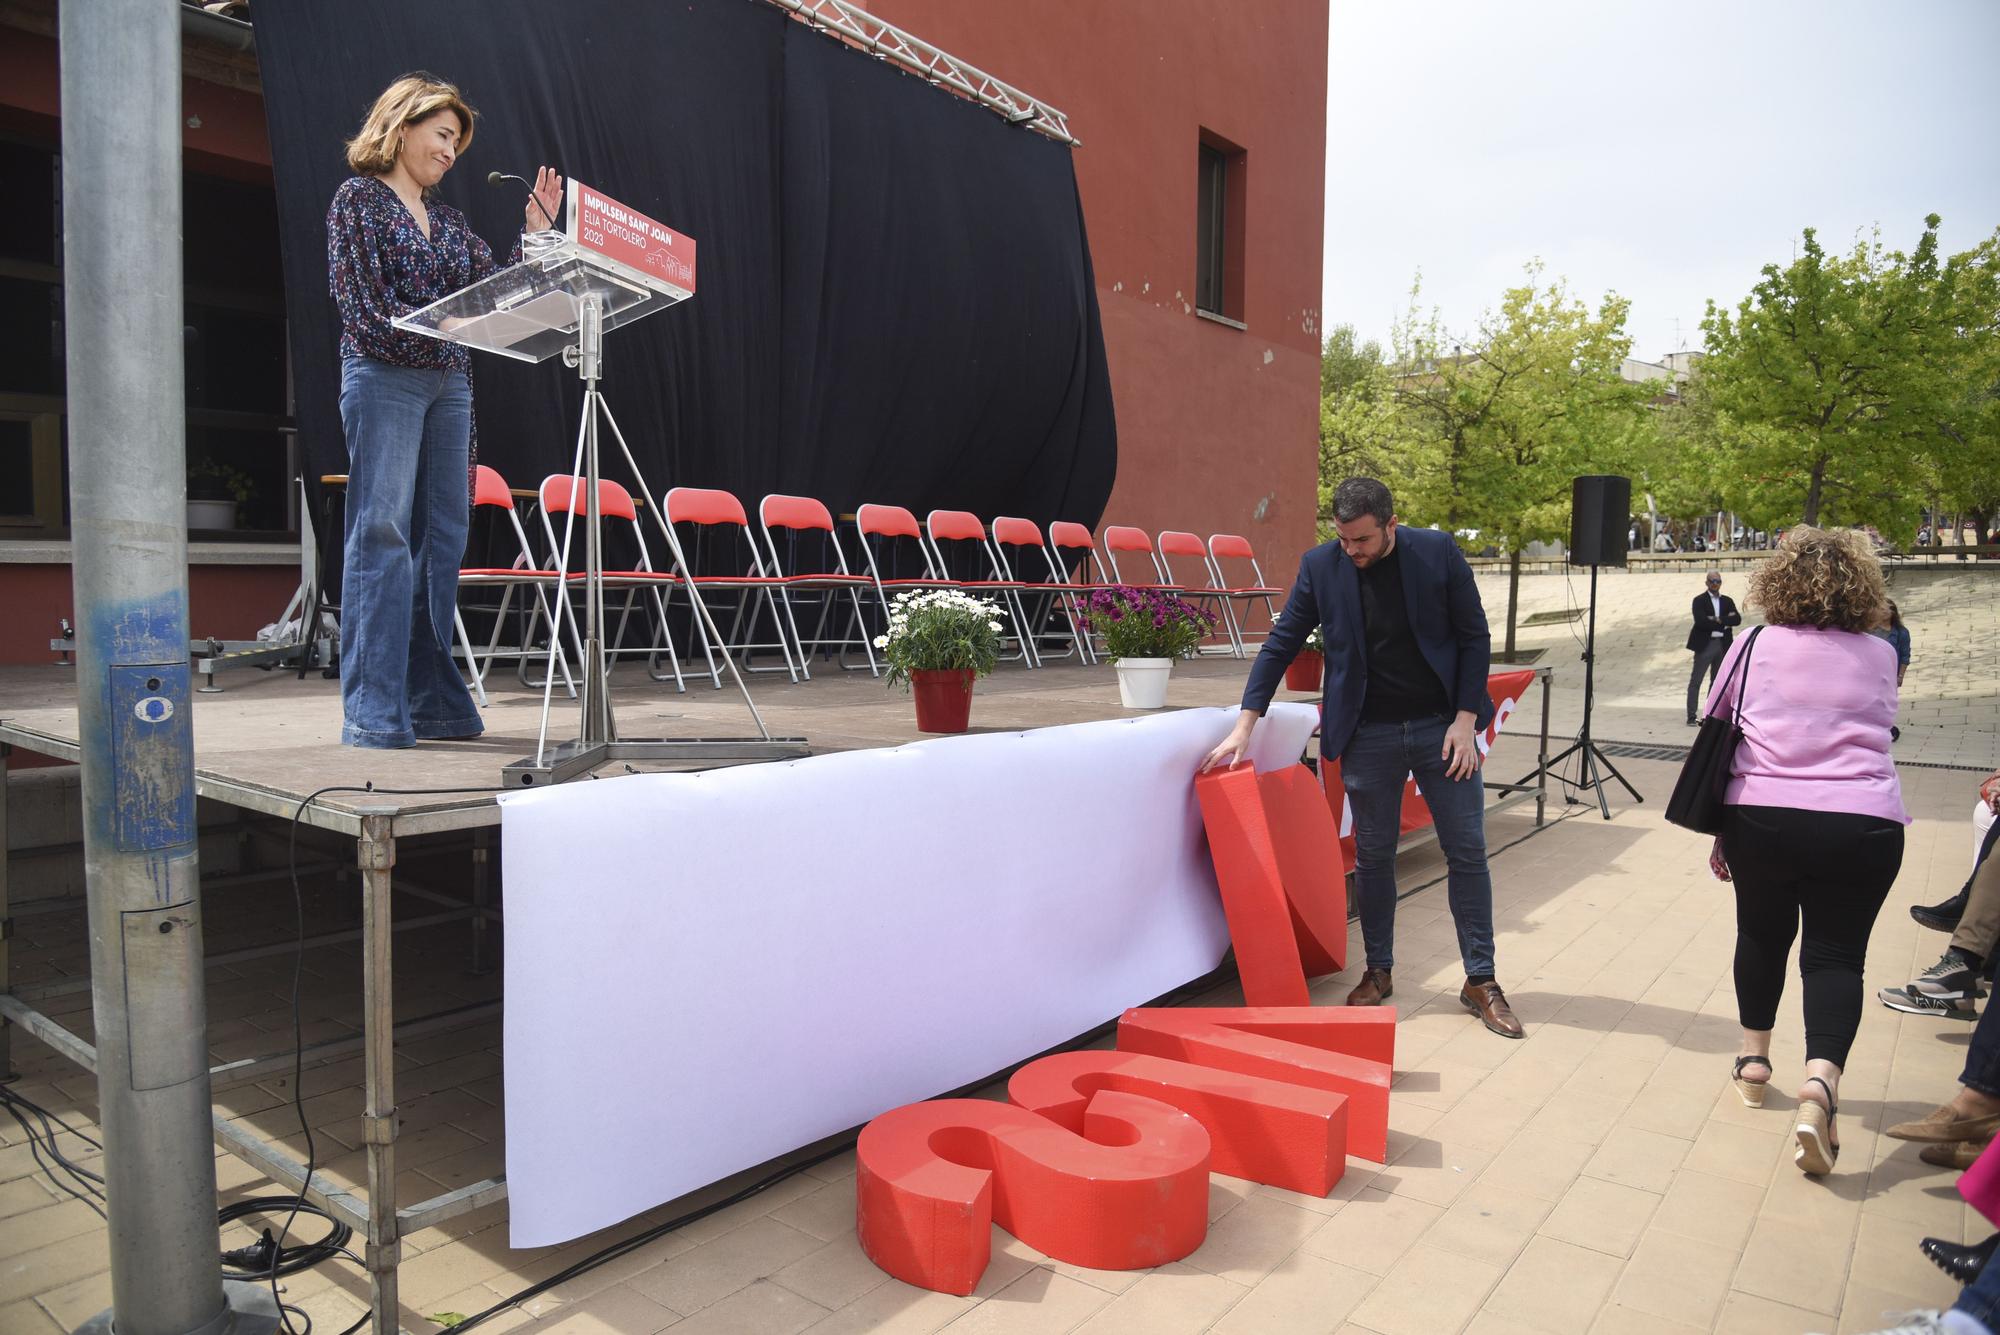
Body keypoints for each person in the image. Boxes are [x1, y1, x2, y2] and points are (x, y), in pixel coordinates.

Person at [1200, 478, 1522, 1038]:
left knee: (1466, 852)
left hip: (1442, 729)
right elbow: (1281, 645)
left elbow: (1474, 637)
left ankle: (1480, 980)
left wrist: (1466, 722)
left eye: (1364, 540)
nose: (1353, 551)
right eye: (1345, 539)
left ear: (1391, 525)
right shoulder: (1320, 566)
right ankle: (1379, 970)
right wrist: (1246, 721)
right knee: (1372, 858)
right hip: (1366, 734)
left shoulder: (1438, 552)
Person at [327, 73, 561, 748]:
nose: (451, 149)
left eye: (457, 139)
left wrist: (535, 235)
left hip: (450, 385)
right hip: (384, 377)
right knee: (383, 536)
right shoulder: (359, 202)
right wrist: (432, 333)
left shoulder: (453, 223)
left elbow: (497, 293)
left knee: (442, 541)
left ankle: (431, 703)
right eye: (442, 133)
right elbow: (361, 310)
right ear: (401, 127)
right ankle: (374, 712)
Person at [1707, 526, 1908, 1176]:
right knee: (1837, 957)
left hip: (1764, 814)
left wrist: (1720, 829)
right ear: (1862, 587)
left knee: (1762, 936)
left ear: (1779, 581)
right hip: (1863, 821)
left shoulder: (1753, 643)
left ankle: (1755, 1061)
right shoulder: (1880, 652)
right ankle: (1820, 1085)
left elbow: (1720, 728)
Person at [1685, 570, 1741, 725]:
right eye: (1712, 581)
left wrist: (1717, 619)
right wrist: (1724, 621)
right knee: (1696, 680)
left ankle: (1710, 715)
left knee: (1717, 681)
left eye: (1718, 581)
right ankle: (1691, 715)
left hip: (1722, 644)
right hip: (1705, 644)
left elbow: (1736, 619)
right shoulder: (1699, 600)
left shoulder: (1727, 601)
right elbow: (1701, 621)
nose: (1715, 584)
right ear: (1707, 583)